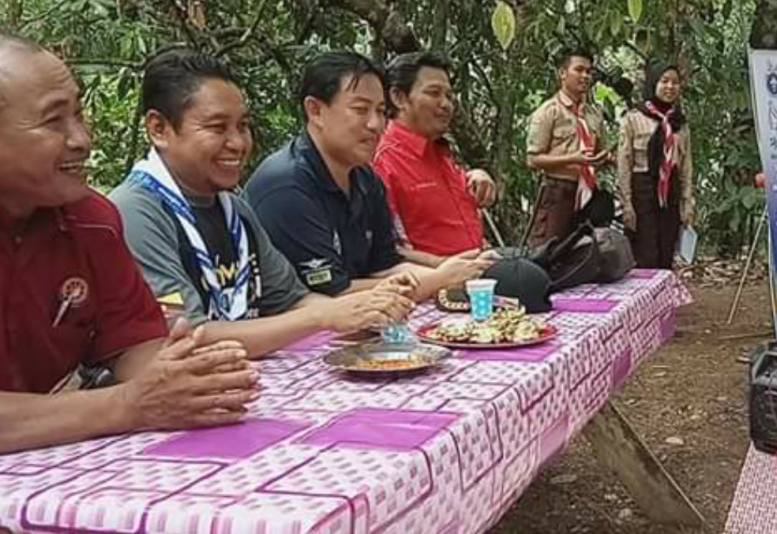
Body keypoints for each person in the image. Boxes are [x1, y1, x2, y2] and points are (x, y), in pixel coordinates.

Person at [0, 32, 258, 465]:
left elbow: (137, 347)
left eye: (80, 113)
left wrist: (185, 378)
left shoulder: (90, 218)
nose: (83, 139)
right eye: (54, 121)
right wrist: (127, 404)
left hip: (32, 472)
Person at [111, 49, 416, 359]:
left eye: (243, 126)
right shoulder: (135, 212)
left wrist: (361, 311)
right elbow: (188, 337)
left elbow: (293, 300)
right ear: (159, 129)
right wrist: (324, 317)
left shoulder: (234, 209)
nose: (238, 143)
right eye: (218, 127)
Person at [245, 51, 492, 298]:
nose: (375, 124)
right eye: (360, 109)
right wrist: (438, 279)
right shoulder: (287, 186)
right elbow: (332, 292)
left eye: (381, 111)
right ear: (315, 111)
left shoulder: (365, 179)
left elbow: (385, 266)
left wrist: (459, 272)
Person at [372, 52, 495, 268]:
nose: (446, 104)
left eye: (449, 95)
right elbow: (382, 249)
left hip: (479, 271)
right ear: (398, 97)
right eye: (434, 93)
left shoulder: (441, 150)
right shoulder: (382, 160)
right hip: (432, 283)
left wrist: (475, 175)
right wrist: (445, 266)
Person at [525, 46, 609, 247]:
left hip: (587, 192)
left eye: (589, 72)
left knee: (582, 251)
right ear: (563, 73)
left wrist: (604, 158)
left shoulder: (594, 114)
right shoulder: (548, 112)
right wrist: (573, 159)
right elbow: (533, 160)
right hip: (557, 191)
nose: (585, 76)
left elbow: (600, 151)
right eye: (579, 70)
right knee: (548, 250)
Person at [617, 61, 694, 268]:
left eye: (675, 83)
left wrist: (687, 202)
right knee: (645, 252)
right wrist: (627, 204)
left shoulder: (680, 123)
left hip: (671, 190)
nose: (670, 87)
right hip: (643, 190)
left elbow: (686, 166)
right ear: (653, 83)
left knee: (666, 250)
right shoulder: (633, 118)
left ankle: (663, 300)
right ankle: (644, 299)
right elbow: (624, 163)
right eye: (664, 81)